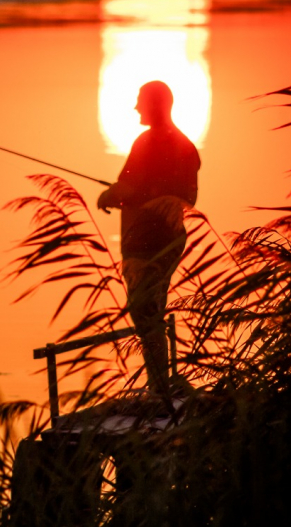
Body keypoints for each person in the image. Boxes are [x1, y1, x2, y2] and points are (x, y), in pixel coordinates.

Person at [97, 81, 200, 394]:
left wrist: (109, 195)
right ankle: (161, 382)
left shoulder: (150, 143)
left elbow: (130, 187)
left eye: (140, 101)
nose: (136, 107)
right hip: (168, 241)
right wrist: (125, 193)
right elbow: (186, 197)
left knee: (144, 311)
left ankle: (159, 386)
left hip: (147, 244)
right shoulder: (184, 145)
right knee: (151, 309)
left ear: (157, 105)